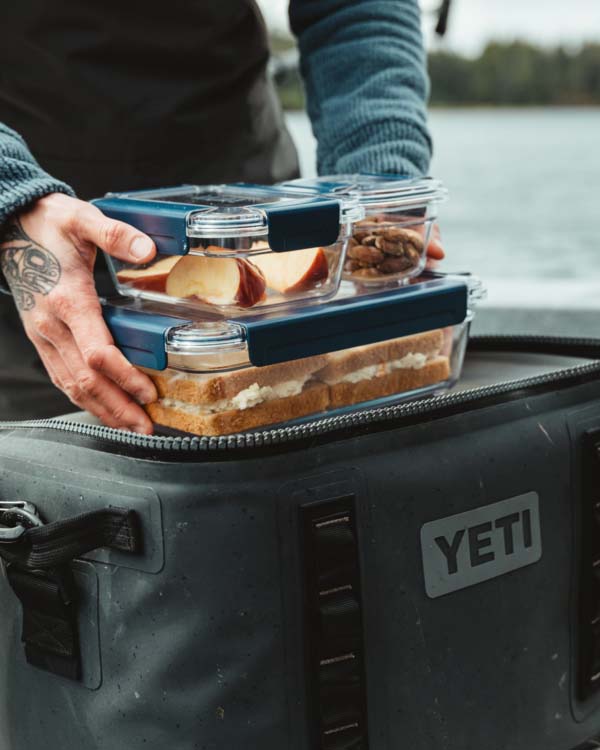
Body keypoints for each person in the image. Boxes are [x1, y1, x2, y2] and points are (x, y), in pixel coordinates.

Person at [0, 0, 443, 433]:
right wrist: (15, 196)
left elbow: (354, 9)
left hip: (254, 209)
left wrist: (381, 180)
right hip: (32, 247)